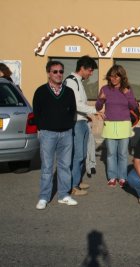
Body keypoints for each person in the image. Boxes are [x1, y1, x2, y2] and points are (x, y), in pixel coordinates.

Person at [33, 61, 78, 209]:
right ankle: (44, 197)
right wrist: (43, 128)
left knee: (65, 166)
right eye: (55, 71)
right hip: (48, 134)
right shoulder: (40, 91)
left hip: (66, 134)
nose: (59, 74)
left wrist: (69, 126)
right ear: (48, 73)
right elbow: (36, 112)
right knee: (47, 167)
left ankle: (64, 195)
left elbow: (73, 111)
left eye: (61, 71)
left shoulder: (69, 92)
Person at [64, 55, 102, 196]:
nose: (91, 74)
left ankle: (77, 181)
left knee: (82, 154)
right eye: (90, 70)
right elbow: (76, 104)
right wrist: (95, 111)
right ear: (82, 68)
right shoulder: (71, 81)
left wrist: (89, 116)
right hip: (76, 123)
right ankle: (73, 186)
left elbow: (81, 104)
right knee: (78, 155)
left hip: (82, 122)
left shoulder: (79, 81)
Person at [96, 65, 138, 188]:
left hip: (124, 125)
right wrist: (100, 99)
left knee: (123, 154)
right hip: (109, 125)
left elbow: (134, 106)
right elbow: (98, 107)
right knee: (110, 153)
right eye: (111, 76)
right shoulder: (105, 89)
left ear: (121, 77)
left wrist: (128, 94)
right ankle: (112, 177)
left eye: (116, 76)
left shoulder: (127, 89)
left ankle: (122, 177)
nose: (113, 79)